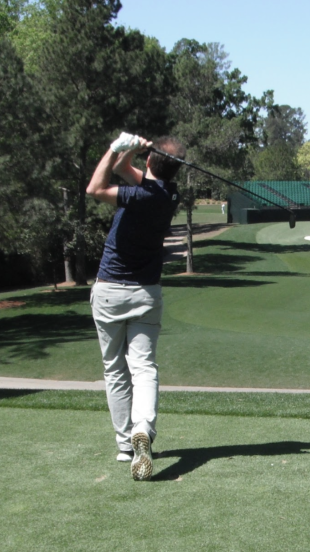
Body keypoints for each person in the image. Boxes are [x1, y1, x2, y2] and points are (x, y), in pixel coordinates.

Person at [86, 132, 185, 481]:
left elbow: (95, 188)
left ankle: (125, 445)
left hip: (110, 290)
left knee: (115, 370)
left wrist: (117, 145)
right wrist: (128, 153)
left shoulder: (140, 195)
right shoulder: (168, 193)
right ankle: (143, 427)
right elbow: (122, 170)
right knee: (143, 368)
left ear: (149, 161)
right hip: (146, 293)